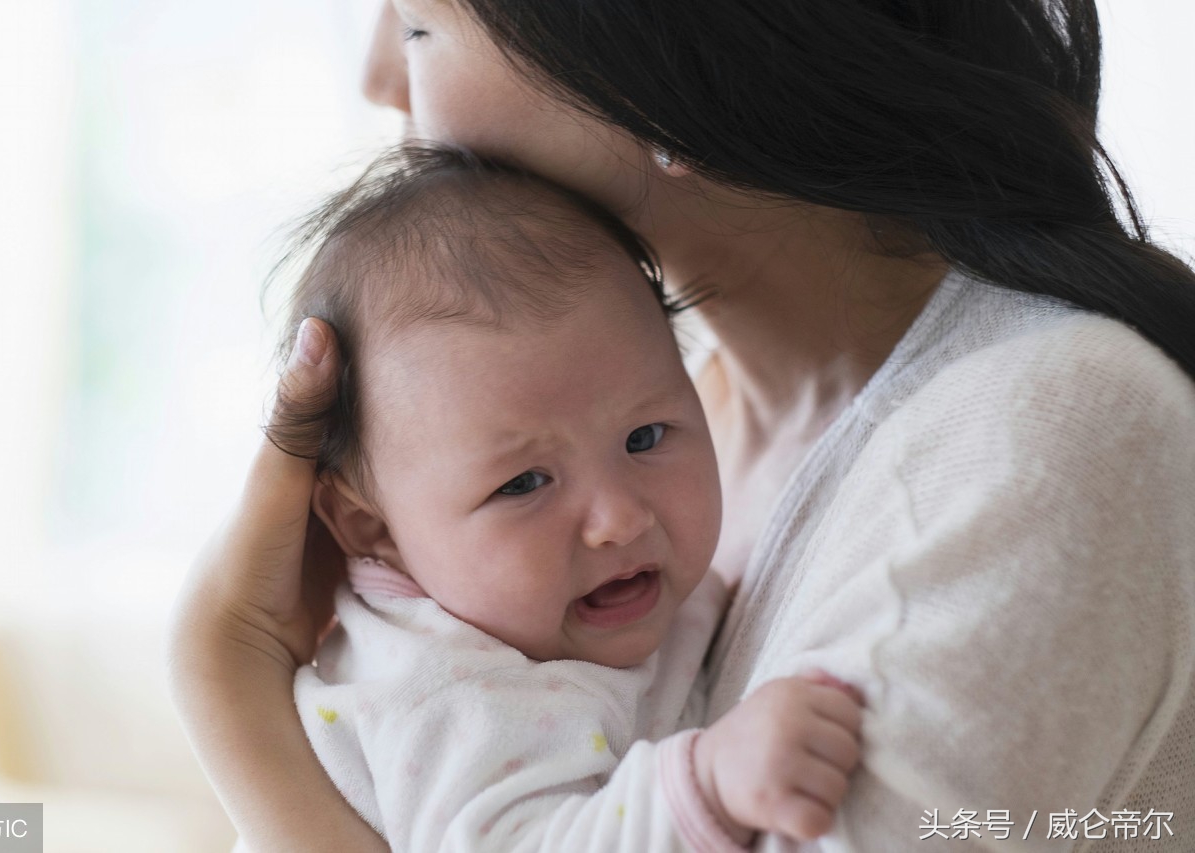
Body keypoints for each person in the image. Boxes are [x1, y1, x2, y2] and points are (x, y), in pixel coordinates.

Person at [167, 1, 1195, 850]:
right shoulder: (671, 418)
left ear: (657, 61)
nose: (379, 78)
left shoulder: (1032, 437)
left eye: (423, 25)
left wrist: (228, 679)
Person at [279, 142, 862, 850]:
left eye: (646, 436)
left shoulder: (549, 611)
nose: (619, 518)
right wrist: (702, 784)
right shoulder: (450, 691)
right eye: (523, 484)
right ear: (374, 528)